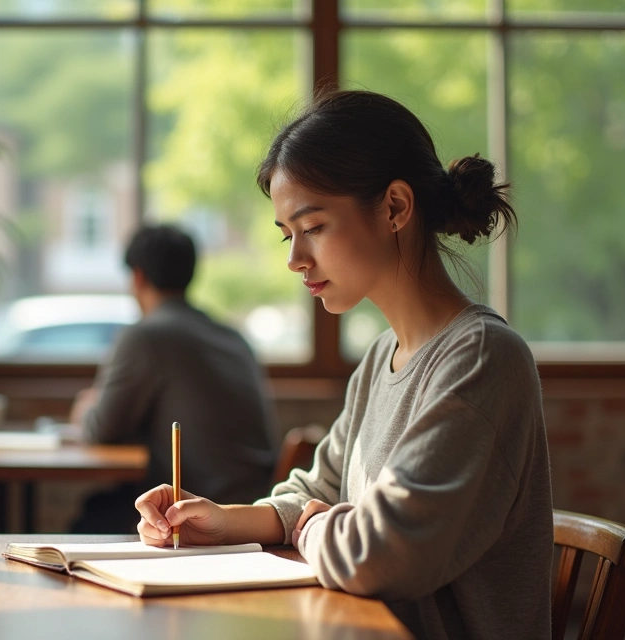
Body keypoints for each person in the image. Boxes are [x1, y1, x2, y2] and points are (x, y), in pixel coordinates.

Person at [132, 91, 554, 638]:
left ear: (395, 208)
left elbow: (384, 555)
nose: (294, 259)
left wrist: (310, 527)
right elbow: (318, 490)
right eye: (288, 234)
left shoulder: (481, 360)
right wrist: (223, 520)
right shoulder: (383, 357)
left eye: (313, 227)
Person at [70, 224, 278, 534]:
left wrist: (85, 406)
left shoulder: (145, 337)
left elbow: (101, 429)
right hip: (255, 508)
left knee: (91, 520)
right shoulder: (233, 337)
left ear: (137, 277)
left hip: (192, 509)